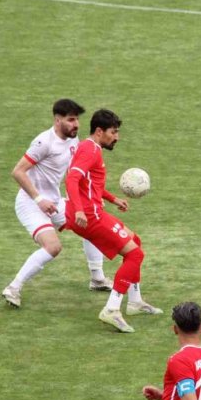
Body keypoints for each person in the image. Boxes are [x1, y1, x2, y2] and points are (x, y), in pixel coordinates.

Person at [2, 99, 112, 309]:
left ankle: (97, 279)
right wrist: (38, 199)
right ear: (57, 119)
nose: (76, 124)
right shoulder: (44, 142)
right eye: (71, 120)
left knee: (90, 224)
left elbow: (79, 174)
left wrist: (108, 197)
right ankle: (13, 288)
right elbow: (17, 171)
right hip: (30, 203)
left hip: (52, 201)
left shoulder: (74, 140)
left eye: (77, 120)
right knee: (53, 246)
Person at [62, 108, 161, 333]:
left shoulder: (90, 148)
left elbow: (89, 183)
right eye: (113, 132)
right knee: (135, 254)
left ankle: (135, 302)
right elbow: (72, 179)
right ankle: (112, 309)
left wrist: (113, 198)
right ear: (99, 131)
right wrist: (79, 210)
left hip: (93, 212)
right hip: (90, 216)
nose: (117, 137)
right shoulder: (91, 150)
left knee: (135, 240)